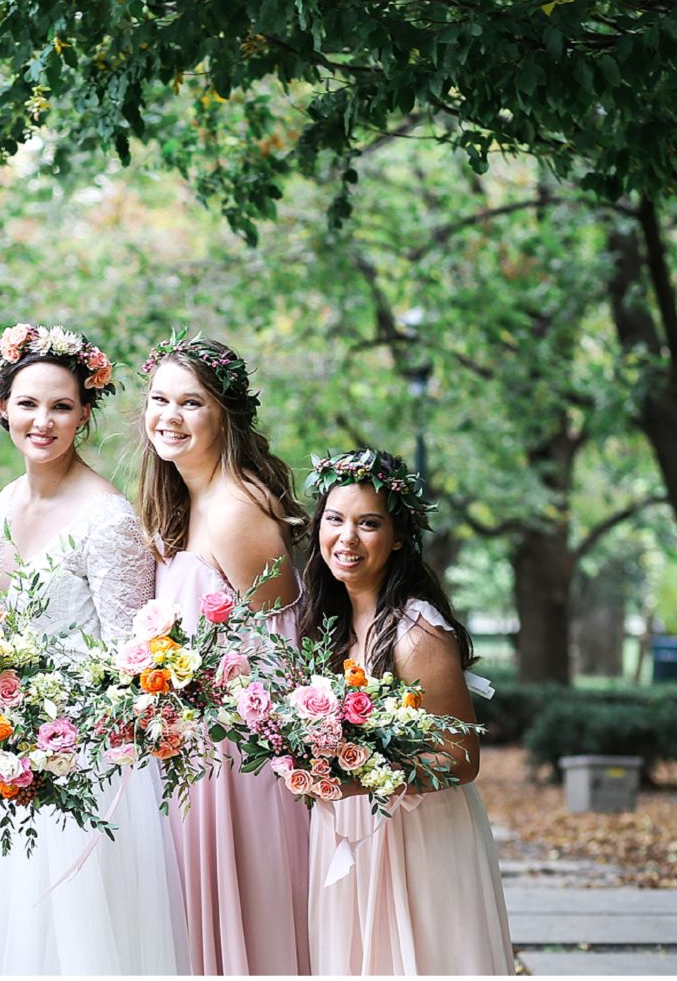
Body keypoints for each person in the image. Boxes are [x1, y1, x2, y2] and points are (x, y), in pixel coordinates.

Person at [0, 322, 190, 974]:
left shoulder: (109, 517)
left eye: (62, 405)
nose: (43, 419)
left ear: (85, 413)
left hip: (83, 765)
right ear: (3, 405)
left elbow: (130, 660)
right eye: (28, 403)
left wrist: (57, 736)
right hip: (9, 746)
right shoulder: (9, 500)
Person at [297, 447, 514, 975]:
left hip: (419, 838)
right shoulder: (328, 623)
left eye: (368, 523)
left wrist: (358, 781)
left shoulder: (416, 630)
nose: (346, 539)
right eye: (334, 519)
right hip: (350, 831)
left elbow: (461, 758)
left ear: (397, 537)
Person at [136, 333, 312, 975]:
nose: (170, 417)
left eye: (191, 403)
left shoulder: (238, 508)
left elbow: (284, 651)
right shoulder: (185, 500)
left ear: (224, 417)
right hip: (193, 754)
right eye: (159, 400)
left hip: (242, 765)